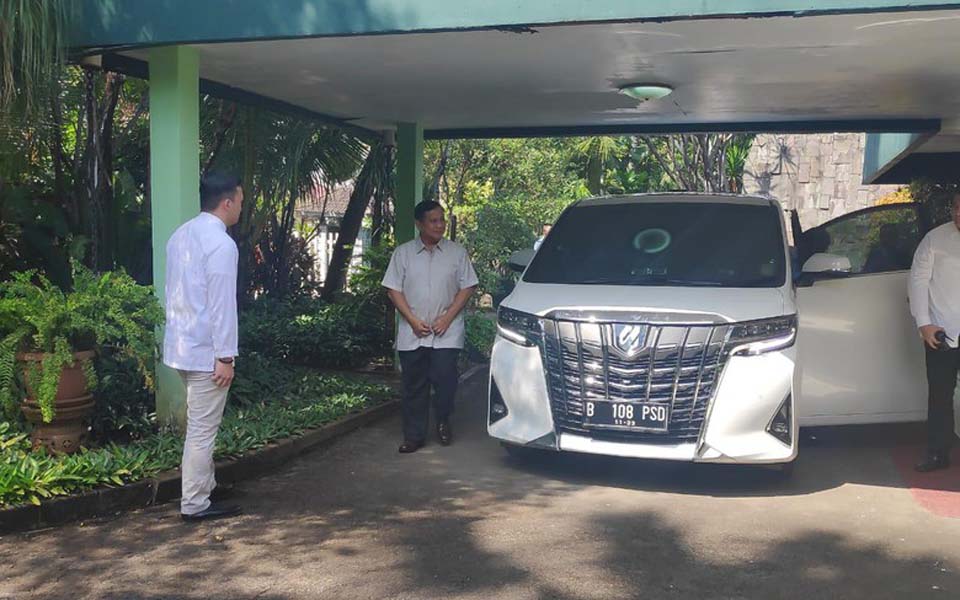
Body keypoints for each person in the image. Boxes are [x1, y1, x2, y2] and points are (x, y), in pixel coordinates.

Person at [163, 172, 243, 520]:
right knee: (201, 431)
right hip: (207, 353)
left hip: (181, 348)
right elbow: (221, 305)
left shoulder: (180, 235)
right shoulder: (221, 244)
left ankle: (205, 486)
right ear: (227, 202)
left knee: (200, 424)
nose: (242, 207)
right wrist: (225, 357)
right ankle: (195, 504)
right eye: (240, 201)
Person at [382, 200, 478, 453]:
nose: (439, 225)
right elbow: (393, 289)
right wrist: (412, 320)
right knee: (414, 385)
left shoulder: (457, 253)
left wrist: (447, 318)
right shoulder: (402, 254)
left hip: (447, 331)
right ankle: (414, 436)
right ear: (419, 224)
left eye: (442, 220)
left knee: (446, 381)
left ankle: (443, 420)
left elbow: (468, 286)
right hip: (413, 332)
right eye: (433, 221)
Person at [908, 192, 960, 472]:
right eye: (956, 207)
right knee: (940, 396)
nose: (959, 214)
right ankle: (938, 453)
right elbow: (917, 281)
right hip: (942, 331)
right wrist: (924, 323)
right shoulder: (935, 240)